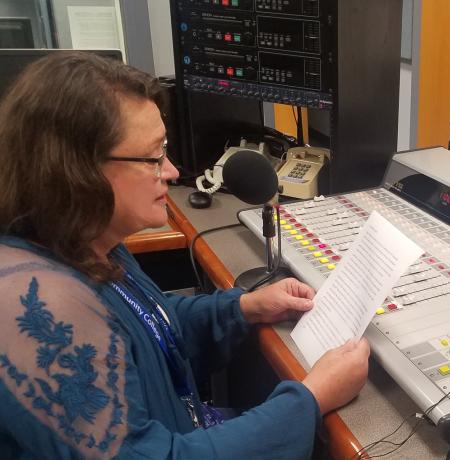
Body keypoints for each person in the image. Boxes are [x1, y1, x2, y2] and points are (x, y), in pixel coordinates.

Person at [0, 51, 370, 458]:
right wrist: (311, 398)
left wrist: (244, 308)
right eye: (154, 156)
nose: (173, 171)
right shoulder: (37, 305)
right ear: (76, 169)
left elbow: (148, 328)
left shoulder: (85, 242)